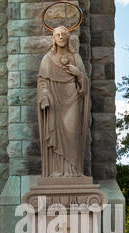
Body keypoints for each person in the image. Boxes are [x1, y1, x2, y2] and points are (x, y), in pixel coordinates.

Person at [37, 25, 90, 177]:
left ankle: (73, 171)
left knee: (72, 134)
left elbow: (85, 83)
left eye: (63, 35)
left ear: (68, 38)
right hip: (54, 99)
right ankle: (57, 170)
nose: (60, 37)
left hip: (72, 98)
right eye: (57, 35)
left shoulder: (75, 58)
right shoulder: (47, 59)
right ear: (54, 39)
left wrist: (78, 74)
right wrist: (45, 95)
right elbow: (42, 81)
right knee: (55, 134)